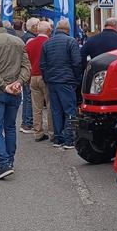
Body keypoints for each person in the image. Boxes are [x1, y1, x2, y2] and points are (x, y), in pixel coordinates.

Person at [0, 16, 31, 179]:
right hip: (15, 91)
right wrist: (18, 82)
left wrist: (3, 86)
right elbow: (26, 66)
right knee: (10, 127)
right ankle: (10, 161)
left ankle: (4, 163)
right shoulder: (18, 41)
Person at [40, 19, 82, 150]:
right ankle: (69, 139)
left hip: (52, 81)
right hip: (66, 81)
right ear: (68, 30)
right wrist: (77, 79)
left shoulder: (47, 43)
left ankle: (58, 138)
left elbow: (42, 64)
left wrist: (48, 78)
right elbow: (77, 63)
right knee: (70, 110)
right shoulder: (71, 41)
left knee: (56, 111)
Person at [26, 21, 54, 142]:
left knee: (36, 107)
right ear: (48, 31)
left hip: (33, 77)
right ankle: (52, 132)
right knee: (49, 106)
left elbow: (26, 62)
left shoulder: (30, 44)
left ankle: (38, 132)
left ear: (37, 31)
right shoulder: (49, 43)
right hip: (45, 77)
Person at [18, 18, 40, 134]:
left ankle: (25, 123)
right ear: (34, 27)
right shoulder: (31, 39)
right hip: (30, 72)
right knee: (29, 98)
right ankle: (27, 123)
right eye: (38, 25)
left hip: (25, 72)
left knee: (27, 98)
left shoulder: (24, 37)